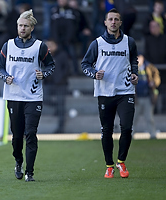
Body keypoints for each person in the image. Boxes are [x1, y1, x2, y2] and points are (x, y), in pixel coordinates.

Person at [0, 9, 55, 182]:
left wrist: (43, 74)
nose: (22, 28)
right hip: (13, 96)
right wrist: (5, 77)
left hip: (33, 97)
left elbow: (50, 66)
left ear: (31, 28)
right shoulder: (8, 45)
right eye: (20, 25)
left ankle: (29, 172)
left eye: (25, 26)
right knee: (16, 137)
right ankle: (18, 160)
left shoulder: (40, 46)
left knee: (30, 133)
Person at [81, 8, 139, 179]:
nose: (113, 22)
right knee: (107, 130)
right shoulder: (97, 43)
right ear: (105, 22)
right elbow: (85, 64)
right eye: (110, 19)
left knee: (127, 128)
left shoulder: (129, 42)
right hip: (105, 92)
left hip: (126, 91)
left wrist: (135, 74)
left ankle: (121, 161)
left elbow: (133, 60)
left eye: (116, 19)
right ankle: (109, 165)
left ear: (120, 22)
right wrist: (94, 73)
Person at [44, 39, 70, 133]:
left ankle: (61, 127)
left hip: (61, 84)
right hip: (48, 83)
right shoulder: (45, 56)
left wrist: (61, 79)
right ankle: (56, 107)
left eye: (51, 45)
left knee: (61, 106)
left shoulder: (62, 55)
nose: (49, 47)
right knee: (44, 99)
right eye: (48, 45)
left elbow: (66, 68)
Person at [134, 54, 161, 139]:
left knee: (149, 118)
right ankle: (130, 135)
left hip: (147, 97)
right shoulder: (132, 68)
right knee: (133, 118)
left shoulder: (150, 67)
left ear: (143, 58)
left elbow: (157, 77)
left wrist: (154, 83)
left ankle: (153, 134)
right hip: (137, 97)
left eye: (139, 58)